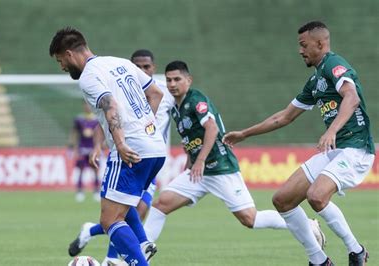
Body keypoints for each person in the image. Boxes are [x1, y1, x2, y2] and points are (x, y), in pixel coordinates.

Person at [222, 21, 374, 266]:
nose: (300, 50)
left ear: (320, 43)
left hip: (356, 148)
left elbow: (352, 97)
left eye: (303, 45)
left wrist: (332, 131)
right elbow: (284, 117)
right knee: (282, 199)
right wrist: (245, 134)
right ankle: (319, 260)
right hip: (335, 150)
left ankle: (356, 251)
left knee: (316, 196)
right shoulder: (315, 81)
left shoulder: (334, 65)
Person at [142, 60, 326, 257]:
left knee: (250, 219)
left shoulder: (196, 100)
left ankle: (306, 224)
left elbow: (212, 129)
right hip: (198, 173)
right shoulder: (176, 108)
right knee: (161, 205)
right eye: (169, 80)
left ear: (188, 80)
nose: (172, 84)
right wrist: (191, 162)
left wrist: (201, 160)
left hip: (220, 168)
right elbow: (192, 139)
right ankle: (141, 253)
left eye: (177, 79)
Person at [49, 27, 167, 266]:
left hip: (131, 149)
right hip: (155, 146)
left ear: (70, 54)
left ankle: (139, 260)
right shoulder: (119, 62)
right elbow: (155, 92)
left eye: (61, 61)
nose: (62, 67)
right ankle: (143, 244)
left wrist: (122, 143)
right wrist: (145, 128)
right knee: (121, 202)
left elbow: (110, 105)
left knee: (109, 220)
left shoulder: (89, 77)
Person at [69, 101, 100, 202]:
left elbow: (100, 134)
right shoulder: (79, 119)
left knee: (95, 169)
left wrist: (100, 146)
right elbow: (74, 133)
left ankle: (96, 190)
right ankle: (80, 191)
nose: (87, 107)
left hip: (93, 148)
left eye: (88, 105)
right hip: (82, 148)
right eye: (85, 105)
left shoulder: (96, 120)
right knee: (81, 169)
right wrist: (72, 147)